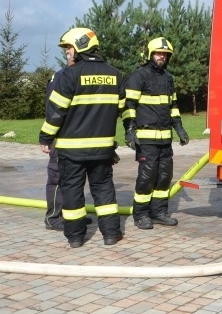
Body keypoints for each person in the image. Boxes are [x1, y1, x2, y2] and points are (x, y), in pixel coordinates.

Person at [39, 27, 125, 247]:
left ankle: (76, 238)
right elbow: (121, 108)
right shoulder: (115, 74)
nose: (67, 52)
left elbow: (56, 112)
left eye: (69, 47)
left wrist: (45, 137)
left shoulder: (69, 74)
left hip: (72, 149)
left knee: (73, 192)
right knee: (104, 190)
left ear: (80, 46)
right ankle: (111, 235)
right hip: (103, 148)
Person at [123, 37, 189, 230]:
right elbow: (129, 106)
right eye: (159, 53)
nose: (162, 57)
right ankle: (141, 215)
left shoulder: (168, 78)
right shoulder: (138, 76)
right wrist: (129, 130)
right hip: (146, 139)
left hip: (164, 139)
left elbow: (173, 106)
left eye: (165, 54)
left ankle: (159, 212)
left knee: (164, 177)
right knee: (147, 177)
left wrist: (179, 128)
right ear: (150, 54)